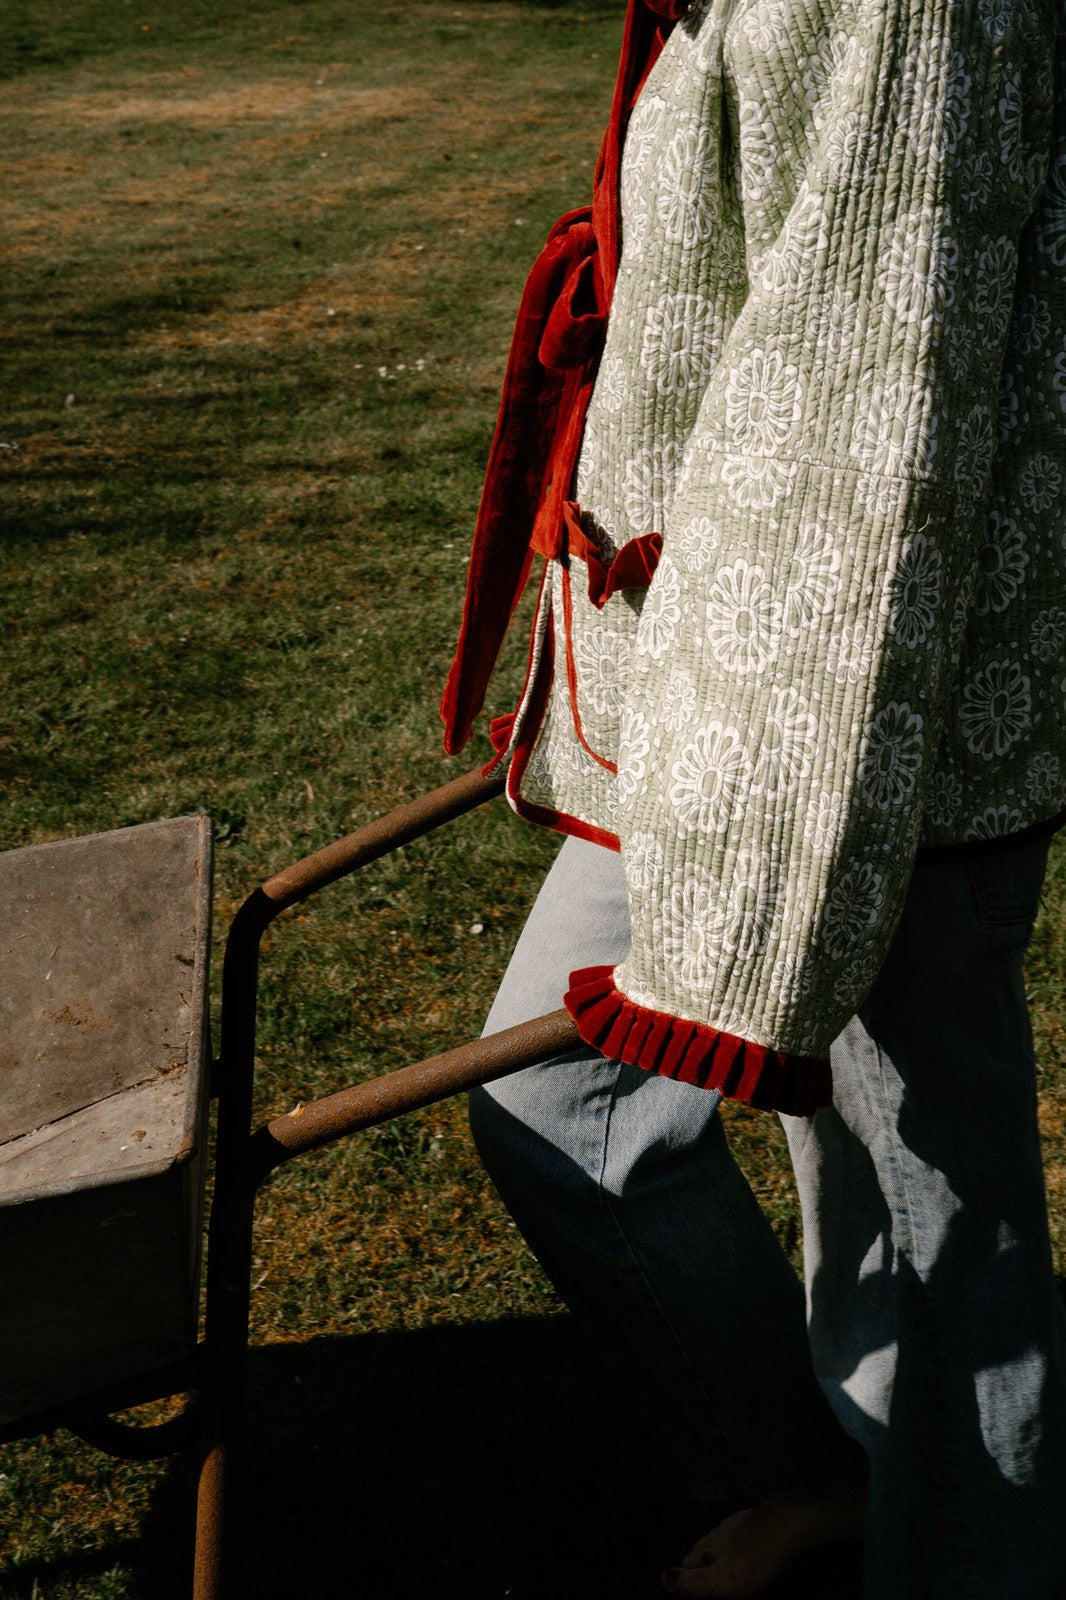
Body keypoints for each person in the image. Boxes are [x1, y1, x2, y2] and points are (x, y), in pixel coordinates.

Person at [442, 0, 1066, 1594]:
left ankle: (967, 1553)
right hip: (719, 690)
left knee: (935, 1226)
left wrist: (792, 801)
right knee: (569, 1106)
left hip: (864, 722)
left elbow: (871, 417)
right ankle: (822, 1480)